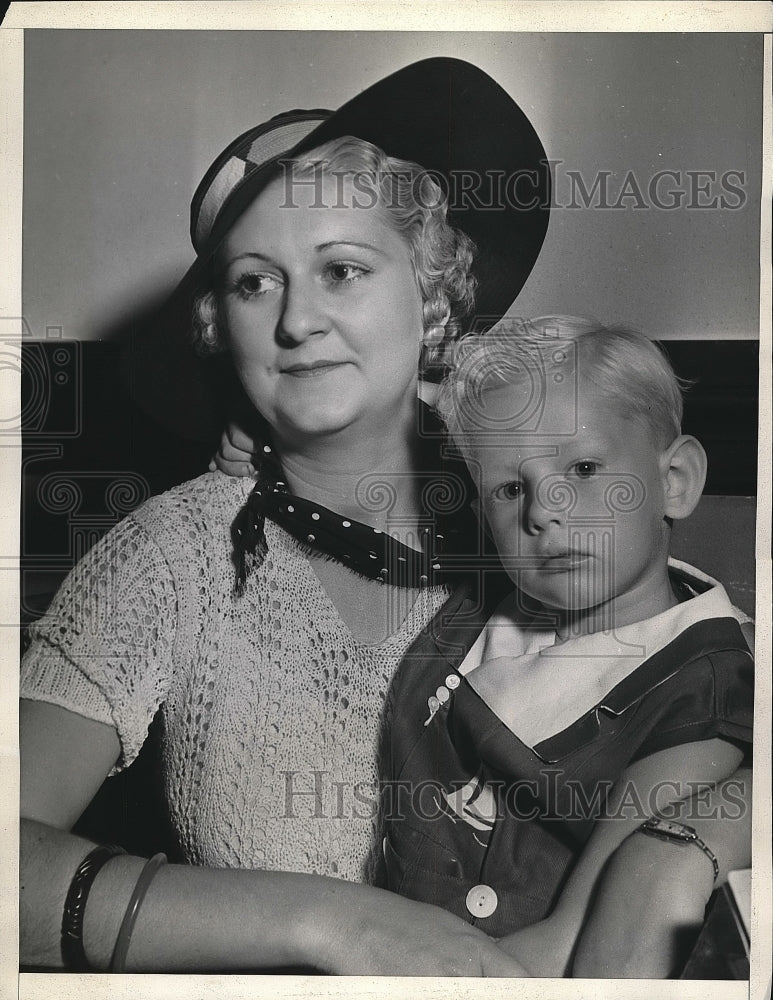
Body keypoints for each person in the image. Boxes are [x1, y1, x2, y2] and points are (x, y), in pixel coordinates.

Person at [19, 57, 751, 977]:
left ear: (433, 289)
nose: (298, 323)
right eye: (254, 283)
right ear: (219, 327)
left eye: (342, 269)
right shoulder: (176, 552)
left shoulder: (545, 497)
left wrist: (662, 858)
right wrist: (329, 925)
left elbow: (714, 699)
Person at [381, 316, 753, 976]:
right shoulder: (474, 614)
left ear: (675, 481)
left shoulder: (702, 689)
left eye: (582, 467)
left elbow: (573, 941)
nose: (542, 510)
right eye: (508, 488)